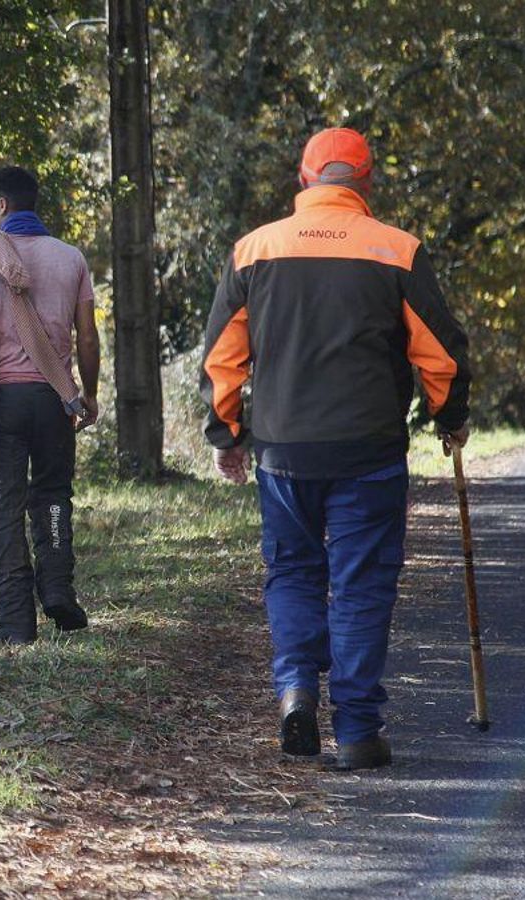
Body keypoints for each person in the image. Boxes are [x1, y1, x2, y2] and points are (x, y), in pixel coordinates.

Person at [200, 127, 471, 770]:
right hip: (368, 451)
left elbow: (222, 358)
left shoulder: (253, 250)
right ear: (366, 184)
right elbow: (441, 354)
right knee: (361, 585)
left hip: (284, 450)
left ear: (304, 180)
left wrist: (227, 433)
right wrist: (449, 417)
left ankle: (295, 690)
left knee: (292, 572)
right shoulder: (397, 250)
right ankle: (356, 731)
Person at [0, 165, 100, 644]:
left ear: (2, 206)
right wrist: (88, 393)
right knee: (53, 496)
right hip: (55, 399)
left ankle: (15, 623)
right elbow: (88, 335)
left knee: (4, 506)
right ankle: (56, 589)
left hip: (2, 402)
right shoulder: (71, 257)